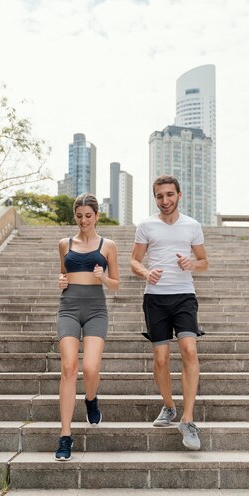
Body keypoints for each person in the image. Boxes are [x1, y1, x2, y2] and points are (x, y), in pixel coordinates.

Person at [130, 175, 208, 450]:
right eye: (160, 196)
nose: (165, 201)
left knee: (189, 350)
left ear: (179, 194)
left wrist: (192, 264)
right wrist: (146, 272)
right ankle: (168, 406)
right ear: (155, 198)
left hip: (184, 296)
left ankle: (187, 420)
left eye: (169, 195)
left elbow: (204, 261)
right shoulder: (146, 226)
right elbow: (134, 261)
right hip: (155, 299)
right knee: (161, 359)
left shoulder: (192, 226)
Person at [55, 193, 119, 461]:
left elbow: (116, 283)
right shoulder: (63, 244)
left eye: (88, 216)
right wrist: (61, 280)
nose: (83, 220)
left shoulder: (108, 245)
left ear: (97, 216)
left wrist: (102, 277)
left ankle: (91, 399)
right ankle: (65, 436)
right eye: (79, 216)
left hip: (95, 310)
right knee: (69, 367)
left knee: (91, 368)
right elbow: (63, 273)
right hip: (68, 307)